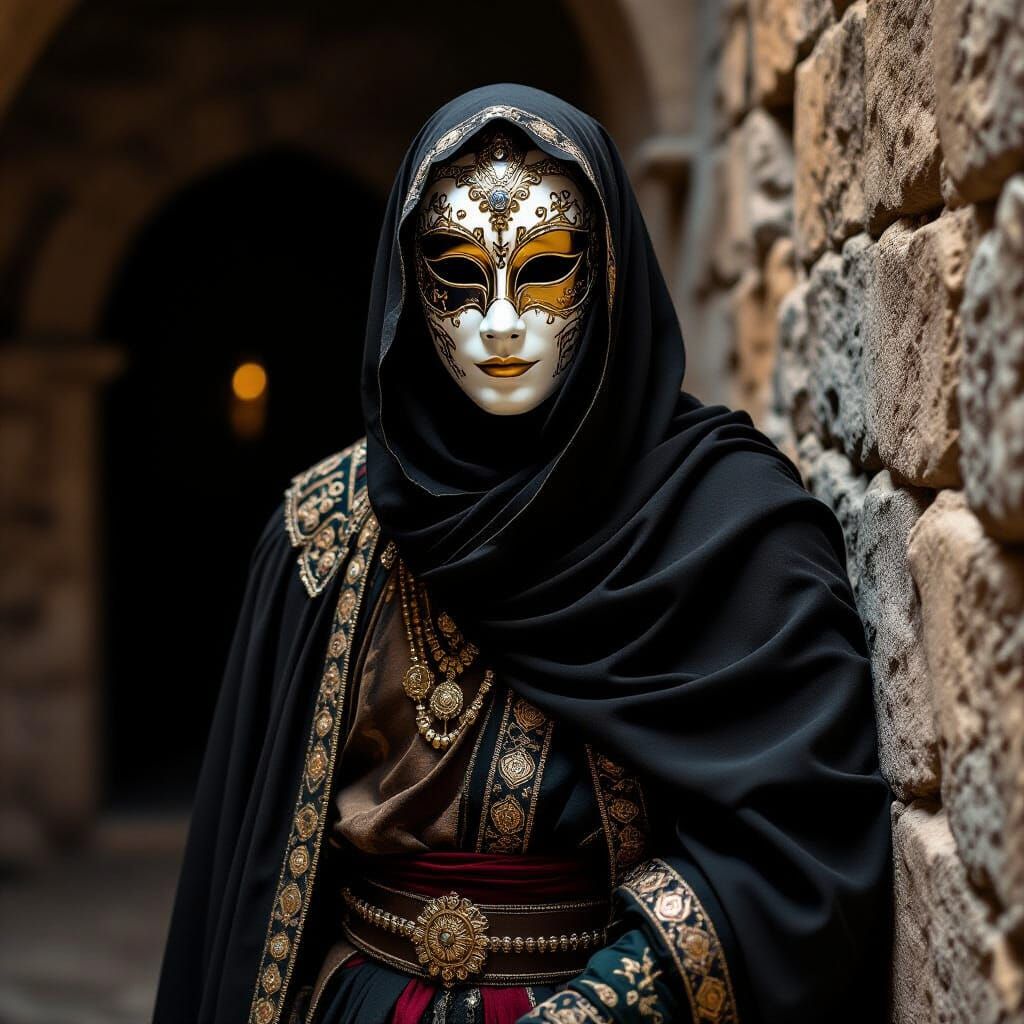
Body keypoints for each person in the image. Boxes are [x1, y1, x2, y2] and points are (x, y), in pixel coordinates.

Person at [153, 84, 892, 1024]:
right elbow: (246, 885)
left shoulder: (724, 528)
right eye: (459, 273)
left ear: (612, 269)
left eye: (544, 270)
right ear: (405, 282)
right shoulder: (322, 535)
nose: (501, 321)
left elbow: (800, 847)